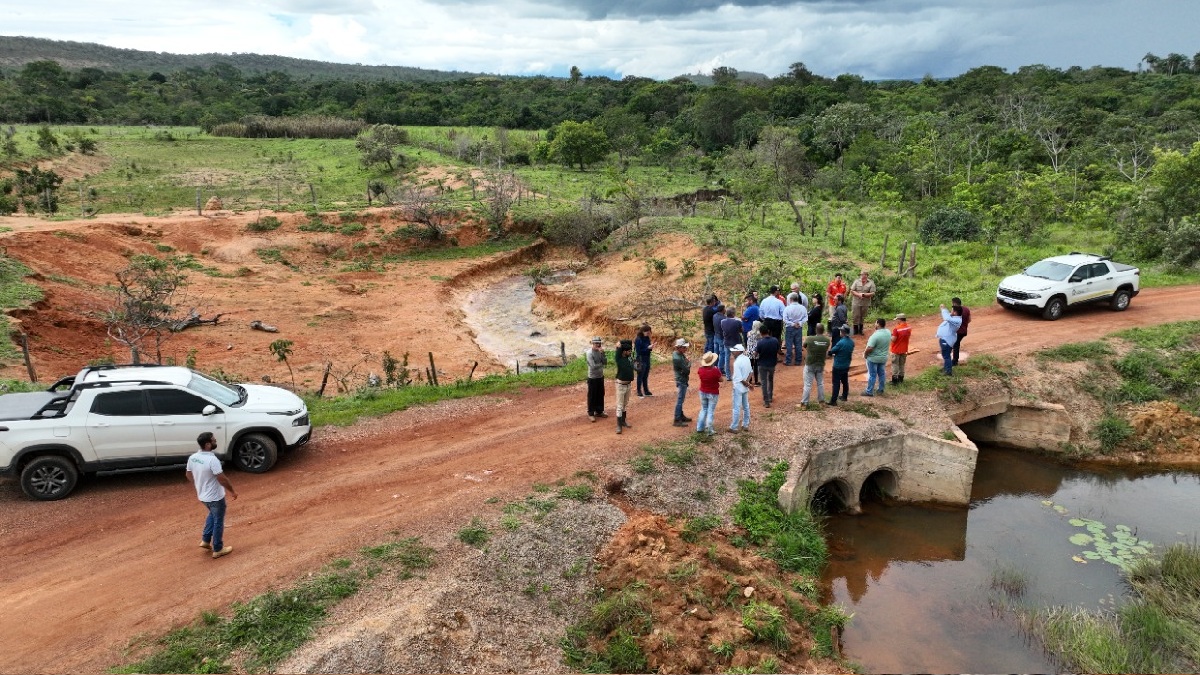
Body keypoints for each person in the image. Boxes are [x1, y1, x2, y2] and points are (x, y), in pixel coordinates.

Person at [187, 431, 238, 559]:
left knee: (213, 514)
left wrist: (199, 485)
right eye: (214, 440)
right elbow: (222, 479)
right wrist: (232, 491)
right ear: (208, 444)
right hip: (215, 497)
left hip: (203, 496)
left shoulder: (193, 458)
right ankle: (218, 548)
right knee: (218, 521)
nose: (216, 441)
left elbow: (188, 474)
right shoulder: (212, 460)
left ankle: (205, 540)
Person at [802, 325, 831, 406]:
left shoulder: (810, 339)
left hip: (810, 363)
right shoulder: (827, 340)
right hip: (820, 363)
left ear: (816, 330)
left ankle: (804, 403)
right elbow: (825, 349)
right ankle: (821, 401)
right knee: (820, 383)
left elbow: (804, 345)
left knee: (808, 384)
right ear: (823, 330)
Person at [863, 318, 891, 396]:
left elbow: (870, 348)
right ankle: (881, 390)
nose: (874, 324)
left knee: (872, 375)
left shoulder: (875, 336)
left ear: (878, 324)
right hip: (883, 358)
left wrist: (865, 354)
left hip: (873, 358)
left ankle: (869, 391)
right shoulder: (888, 332)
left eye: (875, 323)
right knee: (882, 374)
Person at [695, 352, 721, 436]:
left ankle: (700, 427)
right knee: (710, 411)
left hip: (703, 391)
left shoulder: (700, 370)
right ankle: (709, 430)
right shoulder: (715, 370)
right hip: (713, 393)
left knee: (703, 409)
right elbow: (721, 379)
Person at [729, 344, 753, 432]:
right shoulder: (747, 359)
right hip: (745, 388)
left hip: (738, 387)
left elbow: (739, 379)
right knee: (746, 406)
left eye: (734, 351)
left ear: (739, 352)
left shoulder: (737, 363)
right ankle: (745, 425)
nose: (732, 352)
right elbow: (751, 372)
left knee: (736, 407)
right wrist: (748, 383)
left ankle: (734, 427)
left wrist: (747, 384)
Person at [827, 326, 854, 405]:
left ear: (842, 332)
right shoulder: (851, 342)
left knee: (836, 383)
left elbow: (832, 351)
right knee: (845, 381)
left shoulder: (841, 342)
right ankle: (844, 396)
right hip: (846, 365)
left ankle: (833, 401)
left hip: (838, 365)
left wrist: (829, 353)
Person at [756, 325, 781, 408]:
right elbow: (778, 350)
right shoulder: (775, 340)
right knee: (770, 380)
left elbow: (756, 354)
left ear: (761, 333)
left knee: (764, 382)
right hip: (772, 364)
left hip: (762, 364)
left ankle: (766, 401)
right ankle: (770, 397)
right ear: (768, 331)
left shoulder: (760, 342)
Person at [614, 339, 636, 433]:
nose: (630, 352)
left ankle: (623, 422)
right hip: (621, 386)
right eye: (629, 351)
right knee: (620, 406)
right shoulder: (618, 358)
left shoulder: (629, 358)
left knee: (625, 405)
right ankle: (619, 426)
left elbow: (630, 342)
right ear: (624, 352)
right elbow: (618, 345)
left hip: (628, 385)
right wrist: (620, 343)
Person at [585, 336, 609, 422]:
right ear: (592, 343)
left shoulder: (600, 352)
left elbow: (605, 362)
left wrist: (603, 354)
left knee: (600, 394)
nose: (598, 345)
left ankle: (599, 411)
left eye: (599, 343)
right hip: (592, 377)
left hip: (600, 376)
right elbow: (593, 366)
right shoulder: (589, 353)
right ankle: (591, 413)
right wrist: (601, 364)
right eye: (596, 343)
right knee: (592, 396)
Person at [936, 304, 964, 376]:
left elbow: (946, 318)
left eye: (951, 311)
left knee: (946, 356)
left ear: (955, 312)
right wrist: (945, 310)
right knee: (946, 355)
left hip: (947, 340)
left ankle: (948, 371)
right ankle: (946, 367)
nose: (950, 312)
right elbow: (948, 316)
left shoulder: (956, 320)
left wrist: (943, 309)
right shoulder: (955, 317)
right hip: (947, 339)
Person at [783, 293, 808, 366]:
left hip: (789, 328)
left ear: (791, 299)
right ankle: (798, 361)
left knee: (789, 344)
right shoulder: (802, 308)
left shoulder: (787, 308)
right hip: (799, 328)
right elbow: (805, 318)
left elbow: (785, 319)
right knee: (798, 344)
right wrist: (799, 323)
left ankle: (788, 361)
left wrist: (792, 324)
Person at [672, 338, 692, 427]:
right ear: (679, 347)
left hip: (680, 378)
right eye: (684, 347)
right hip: (682, 379)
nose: (685, 349)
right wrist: (689, 363)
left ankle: (680, 415)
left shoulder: (677, 354)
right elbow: (687, 371)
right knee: (680, 400)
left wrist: (686, 362)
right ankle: (677, 419)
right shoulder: (678, 358)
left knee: (681, 399)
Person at [849, 270, 876, 336]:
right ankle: (855, 330)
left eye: (864, 275)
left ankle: (860, 330)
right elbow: (852, 290)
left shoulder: (871, 283)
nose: (863, 276)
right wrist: (858, 294)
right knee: (855, 315)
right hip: (856, 302)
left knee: (862, 316)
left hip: (865, 303)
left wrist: (864, 295)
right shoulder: (856, 281)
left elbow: (873, 293)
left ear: (867, 275)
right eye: (861, 275)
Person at [719, 306, 743, 379]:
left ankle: (728, 376)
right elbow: (741, 330)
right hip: (736, 342)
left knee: (727, 359)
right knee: (737, 359)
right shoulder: (737, 321)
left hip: (727, 342)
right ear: (733, 314)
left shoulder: (722, 321)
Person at [890, 314, 912, 385]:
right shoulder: (909, 327)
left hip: (896, 350)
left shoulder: (896, 329)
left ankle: (894, 381)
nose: (896, 321)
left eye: (897, 319)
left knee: (895, 365)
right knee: (902, 365)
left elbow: (893, 339)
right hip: (904, 349)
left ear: (900, 319)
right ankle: (901, 379)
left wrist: (890, 336)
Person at [634, 323, 653, 397]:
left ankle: (646, 390)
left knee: (645, 375)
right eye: (647, 332)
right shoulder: (638, 339)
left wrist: (650, 348)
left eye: (649, 332)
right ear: (643, 331)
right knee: (640, 375)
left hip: (647, 358)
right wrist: (647, 348)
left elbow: (648, 348)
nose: (648, 333)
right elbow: (638, 351)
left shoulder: (647, 338)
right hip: (641, 359)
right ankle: (639, 390)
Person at [951, 297, 971, 366]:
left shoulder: (955, 310)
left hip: (958, 332)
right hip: (964, 331)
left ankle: (954, 361)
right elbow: (969, 320)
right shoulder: (967, 309)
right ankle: (954, 360)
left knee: (955, 345)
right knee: (956, 344)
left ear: (954, 304)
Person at [745, 320, 762, 385]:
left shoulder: (749, 333)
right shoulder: (759, 335)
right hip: (756, 351)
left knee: (750, 366)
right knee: (756, 366)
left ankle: (749, 380)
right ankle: (756, 381)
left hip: (749, 351)